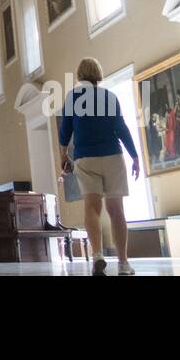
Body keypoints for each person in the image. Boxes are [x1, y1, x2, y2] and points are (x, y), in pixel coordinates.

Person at [58, 57, 141, 276]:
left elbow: (65, 130)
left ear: (79, 74)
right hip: (112, 155)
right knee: (116, 211)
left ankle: (97, 256)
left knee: (92, 208)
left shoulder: (72, 97)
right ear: (98, 74)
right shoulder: (109, 96)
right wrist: (134, 156)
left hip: (86, 158)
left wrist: (63, 154)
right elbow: (121, 127)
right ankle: (123, 263)